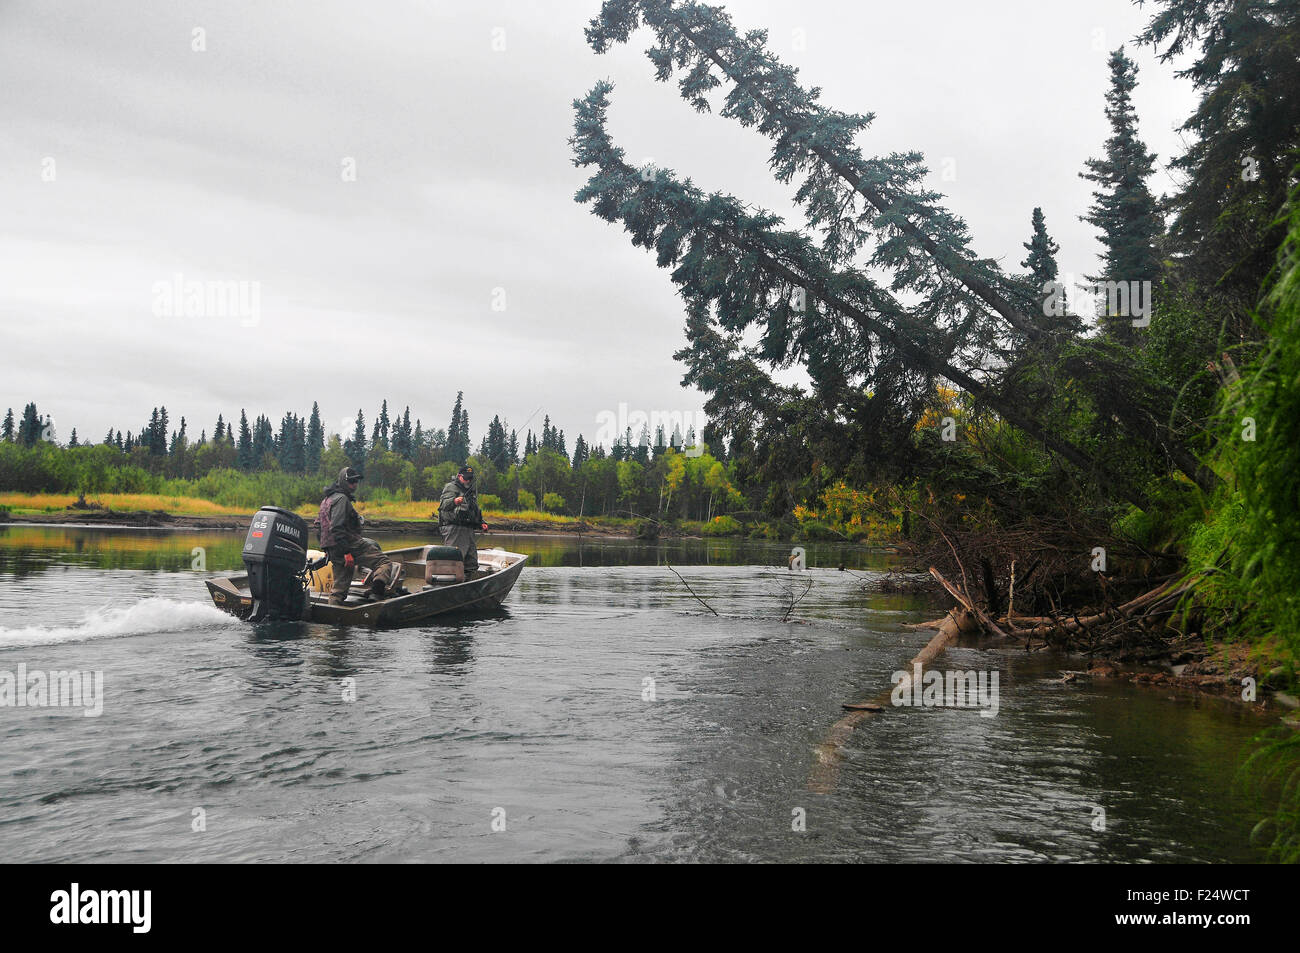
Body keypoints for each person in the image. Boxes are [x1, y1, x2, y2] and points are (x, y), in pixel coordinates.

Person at [318, 466, 404, 605]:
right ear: (343, 482)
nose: (355, 485)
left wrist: (328, 550)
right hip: (349, 545)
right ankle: (376, 594)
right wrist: (346, 552)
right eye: (351, 481)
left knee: (339, 588)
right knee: (384, 563)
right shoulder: (342, 500)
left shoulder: (326, 500)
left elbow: (319, 526)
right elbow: (337, 527)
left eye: (356, 481)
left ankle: (333, 614)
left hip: (333, 548)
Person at [438, 463, 489, 572]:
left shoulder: (470, 491)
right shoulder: (451, 487)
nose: (468, 481)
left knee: (471, 562)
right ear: (459, 476)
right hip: (454, 529)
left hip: (468, 530)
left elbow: (472, 510)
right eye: (466, 478)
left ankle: (467, 583)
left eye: (470, 478)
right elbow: (443, 505)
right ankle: (448, 583)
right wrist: (454, 501)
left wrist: (481, 523)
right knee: (454, 560)